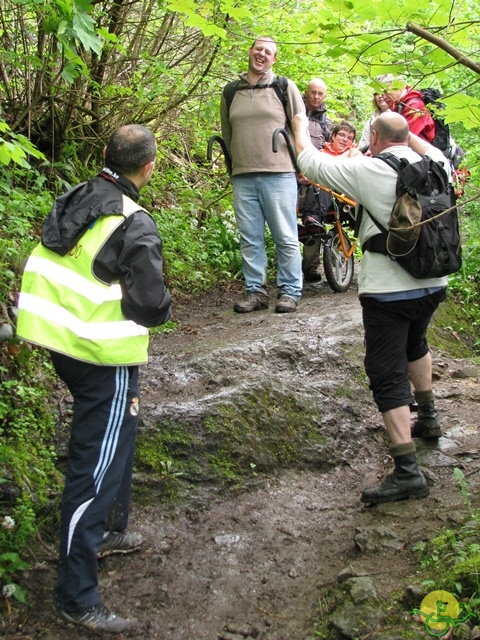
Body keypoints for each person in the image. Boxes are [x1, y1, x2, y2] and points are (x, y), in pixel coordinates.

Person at [16, 125, 172, 632]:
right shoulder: (135, 222)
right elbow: (150, 306)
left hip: (56, 338)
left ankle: (110, 529)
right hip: (100, 353)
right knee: (94, 468)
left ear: (105, 156)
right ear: (148, 168)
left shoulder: (77, 194)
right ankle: (76, 594)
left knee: (118, 433)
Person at [292, 110, 448, 505]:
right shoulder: (438, 163)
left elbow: (310, 162)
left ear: (374, 136)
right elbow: (419, 144)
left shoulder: (368, 169)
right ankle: (428, 417)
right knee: (417, 342)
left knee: (385, 370)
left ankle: (407, 471)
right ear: (408, 135)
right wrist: (409, 135)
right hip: (434, 281)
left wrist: (297, 125)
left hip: (388, 292)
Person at [220, 36, 305, 314]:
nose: (262, 54)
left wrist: (303, 163)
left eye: (268, 52)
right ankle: (255, 291)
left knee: (285, 235)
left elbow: (298, 125)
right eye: (258, 49)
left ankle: (290, 291)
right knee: (250, 237)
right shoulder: (231, 91)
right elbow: (227, 133)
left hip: (279, 173)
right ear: (250, 50)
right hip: (243, 175)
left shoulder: (283, 87)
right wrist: (233, 168)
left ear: (274, 58)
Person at [300, 122, 360, 277]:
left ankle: (312, 218)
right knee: (316, 185)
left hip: (343, 197)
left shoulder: (353, 154)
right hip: (319, 195)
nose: (345, 139)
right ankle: (311, 221)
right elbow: (304, 173)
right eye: (341, 135)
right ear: (333, 136)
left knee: (324, 181)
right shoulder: (320, 153)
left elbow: (354, 171)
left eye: (349, 138)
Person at [298, 80, 334, 282]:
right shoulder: (293, 112)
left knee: (314, 221)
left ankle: (310, 268)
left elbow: (331, 150)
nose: (316, 97)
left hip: (316, 175)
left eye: (321, 93)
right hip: (292, 171)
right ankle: (290, 269)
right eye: (313, 92)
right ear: (306, 92)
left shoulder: (326, 123)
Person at [379, 74, 435, 143]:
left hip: (420, 151)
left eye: (386, 92)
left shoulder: (415, 106)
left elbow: (404, 139)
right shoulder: (398, 105)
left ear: (400, 87)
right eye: (381, 93)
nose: (384, 97)